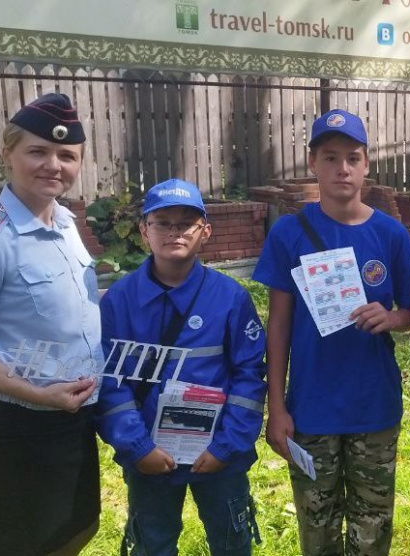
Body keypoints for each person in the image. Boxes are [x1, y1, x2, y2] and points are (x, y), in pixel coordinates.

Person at [0, 93, 103, 555]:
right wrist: (37, 393)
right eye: (37, 151)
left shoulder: (66, 223)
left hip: (71, 421)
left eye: (67, 156)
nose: (53, 164)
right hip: (17, 428)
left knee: (72, 532)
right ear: (7, 154)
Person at [252, 109, 410, 555]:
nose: (342, 168)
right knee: (316, 528)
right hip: (311, 410)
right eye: (330, 158)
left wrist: (392, 317)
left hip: (373, 405)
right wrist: (277, 407)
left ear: (366, 164)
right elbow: (279, 325)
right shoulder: (289, 233)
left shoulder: (391, 235)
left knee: (372, 527)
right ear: (312, 163)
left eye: (352, 158)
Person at [96, 178, 267, 555]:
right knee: (152, 542)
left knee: (232, 543)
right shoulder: (119, 301)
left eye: (185, 223)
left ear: (204, 231)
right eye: (162, 223)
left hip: (219, 455)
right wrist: (138, 447)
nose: (174, 232)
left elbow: (250, 377)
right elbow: (110, 382)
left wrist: (226, 446)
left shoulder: (230, 298)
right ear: (144, 231)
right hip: (150, 456)